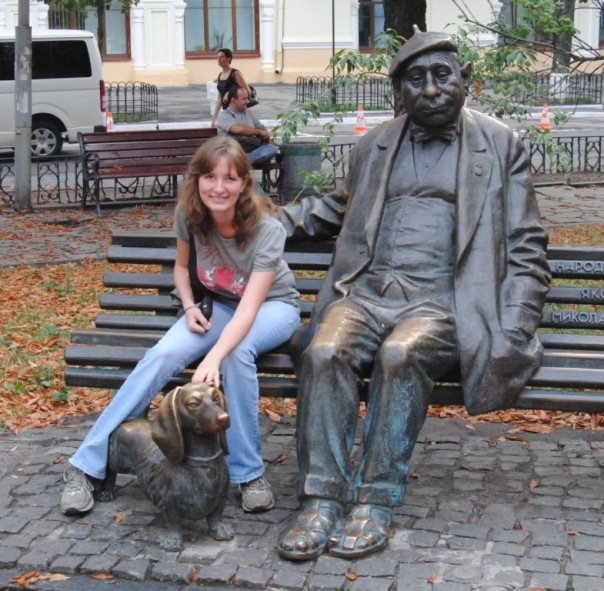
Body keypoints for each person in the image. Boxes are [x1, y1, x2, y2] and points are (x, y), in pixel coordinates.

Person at [276, 29, 551, 561]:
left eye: (442, 75)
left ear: (465, 79)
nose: (429, 89)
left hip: (445, 302)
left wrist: (514, 324)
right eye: (415, 79)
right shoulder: (373, 146)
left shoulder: (500, 146)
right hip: (368, 292)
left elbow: (526, 245)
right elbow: (333, 209)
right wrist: (256, 223)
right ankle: (321, 499)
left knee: (400, 354)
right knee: (324, 350)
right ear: (398, 91)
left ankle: (376, 500)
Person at [61, 136, 301, 516]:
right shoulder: (190, 215)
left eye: (229, 178)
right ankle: (86, 465)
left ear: (244, 183)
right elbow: (181, 268)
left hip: (273, 307)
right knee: (162, 354)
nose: (218, 188)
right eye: (210, 177)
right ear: (197, 179)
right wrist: (189, 307)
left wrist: (214, 356)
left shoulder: (267, 229)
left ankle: (248, 474)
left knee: (236, 354)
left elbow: (250, 308)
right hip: (217, 306)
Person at [217, 85, 279, 166]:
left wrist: (266, 137)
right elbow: (238, 129)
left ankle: (243, 161)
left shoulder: (248, 112)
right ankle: (241, 162)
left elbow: (261, 127)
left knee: (272, 149)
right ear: (233, 100)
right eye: (244, 99)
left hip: (252, 150)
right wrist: (259, 132)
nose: (248, 101)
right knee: (269, 150)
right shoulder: (224, 115)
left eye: (247, 98)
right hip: (232, 153)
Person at [210, 48, 251, 129]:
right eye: (217, 57)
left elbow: (247, 91)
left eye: (221, 57)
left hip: (238, 112)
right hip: (227, 111)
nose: (219, 59)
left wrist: (229, 93)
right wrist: (214, 119)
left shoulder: (235, 73)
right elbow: (219, 99)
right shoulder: (220, 75)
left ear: (229, 59)